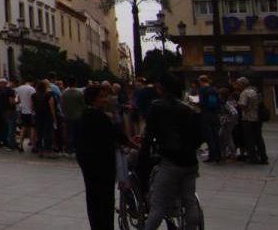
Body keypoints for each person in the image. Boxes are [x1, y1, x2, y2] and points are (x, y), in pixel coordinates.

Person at [140, 74, 203, 230]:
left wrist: (144, 156)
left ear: (162, 89)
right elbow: (199, 135)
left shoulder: (157, 107)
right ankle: (192, 226)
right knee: (189, 200)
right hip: (189, 162)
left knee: (159, 205)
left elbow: (149, 135)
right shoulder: (189, 109)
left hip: (170, 161)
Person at [76, 84, 136, 230]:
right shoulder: (98, 116)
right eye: (102, 97)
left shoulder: (86, 114)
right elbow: (116, 135)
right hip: (101, 165)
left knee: (94, 199)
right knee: (104, 201)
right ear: (93, 99)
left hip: (90, 164)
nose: (106, 100)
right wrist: (134, 145)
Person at [236, 77, 268, 164]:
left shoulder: (245, 93)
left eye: (238, 84)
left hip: (248, 118)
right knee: (259, 138)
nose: (237, 86)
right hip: (257, 117)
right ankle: (263, 157)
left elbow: (243, 105)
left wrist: (238, 104)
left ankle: (253, 158)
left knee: (249, 139)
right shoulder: (256, 91)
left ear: (243, 84)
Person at [197, 74, 222, 163]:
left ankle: (212, 155)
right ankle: (219, 155)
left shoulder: (202, 90)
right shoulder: (214, 90)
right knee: (216, 135)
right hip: (215, 115)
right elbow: (218, 103)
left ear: (201, 81)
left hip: (206, 115)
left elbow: (201, 103)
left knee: (209, 136)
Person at [33, 79, 56, 157]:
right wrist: (54, 117)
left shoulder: (34, 95)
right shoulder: (49, 94)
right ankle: (48, 151)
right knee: (48, 133)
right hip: (47, 116)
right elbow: (51, 106)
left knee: (39, 133)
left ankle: (40, 150)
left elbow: (32, 107)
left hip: (38, 116)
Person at [62, 81, 85, 157]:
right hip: (77, 116)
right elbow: (83, 105)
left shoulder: (64, 93)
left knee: (69, 132)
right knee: (77, 133)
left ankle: (69, 149)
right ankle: (76, 148)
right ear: (75, 84)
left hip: (68, 116)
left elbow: (62, 104)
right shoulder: (79, 93)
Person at [15, 79, 36, 151]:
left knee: (23, 128)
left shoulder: (19, 88)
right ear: (31, 82)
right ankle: (33, 146)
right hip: (31, 112)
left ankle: (21, 145)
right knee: (33, 128)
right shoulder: (32, 89)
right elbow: (33, 101)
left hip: (23, 111)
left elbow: (18, 100)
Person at [219, 86, 239, 161]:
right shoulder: (230, 101)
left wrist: (231, 121)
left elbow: (234, 112)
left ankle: (233, 155)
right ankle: (224, 153)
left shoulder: (226, 103)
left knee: (228, 138)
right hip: (226, 122)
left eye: (219, 94)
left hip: (227, 123)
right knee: (221, 136)